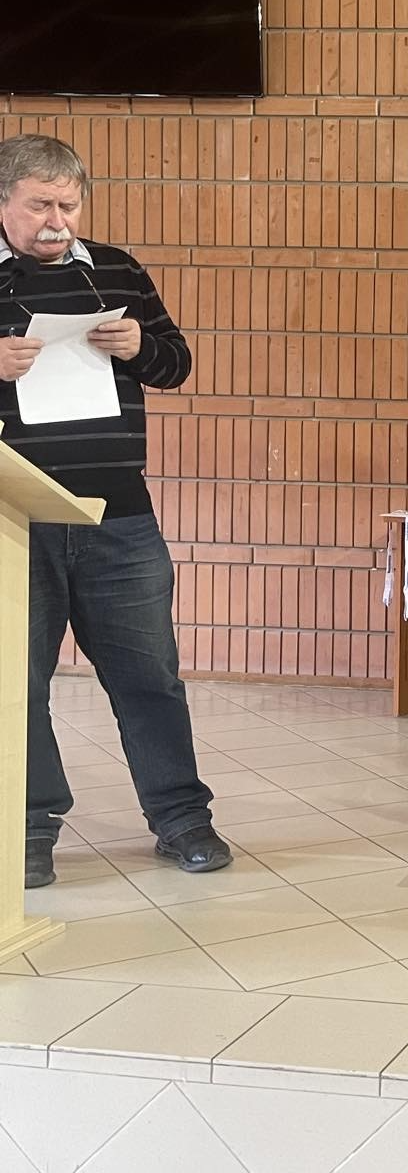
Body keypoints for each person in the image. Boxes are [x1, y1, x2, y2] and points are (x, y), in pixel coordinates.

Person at [0, 135, 230, 890]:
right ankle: (28, 830)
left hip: (118, 513)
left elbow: (176, 363)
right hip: (12, 516)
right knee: (15, 683)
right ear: (4, 202)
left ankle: (182, 820)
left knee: (149, 675)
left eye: (69, 205)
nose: (56, 221)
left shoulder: (118, 270)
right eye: (40, 205)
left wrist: (137, 344)